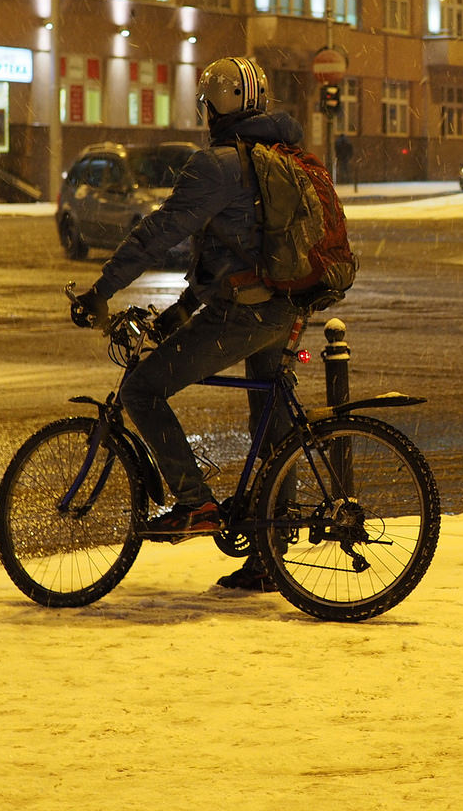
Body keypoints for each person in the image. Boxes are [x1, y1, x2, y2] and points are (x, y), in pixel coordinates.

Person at [71, 56, 300, 593]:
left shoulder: (217, 165)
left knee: (142, 388)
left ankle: (194, 502)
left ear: (214, 106)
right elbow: (232, 252)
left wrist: (100, 290)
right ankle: (273, 550)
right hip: (285, 303)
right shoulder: (278, 154)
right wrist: (178, 314)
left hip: (244, 311)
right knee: (269, 415)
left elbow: (157, 233)